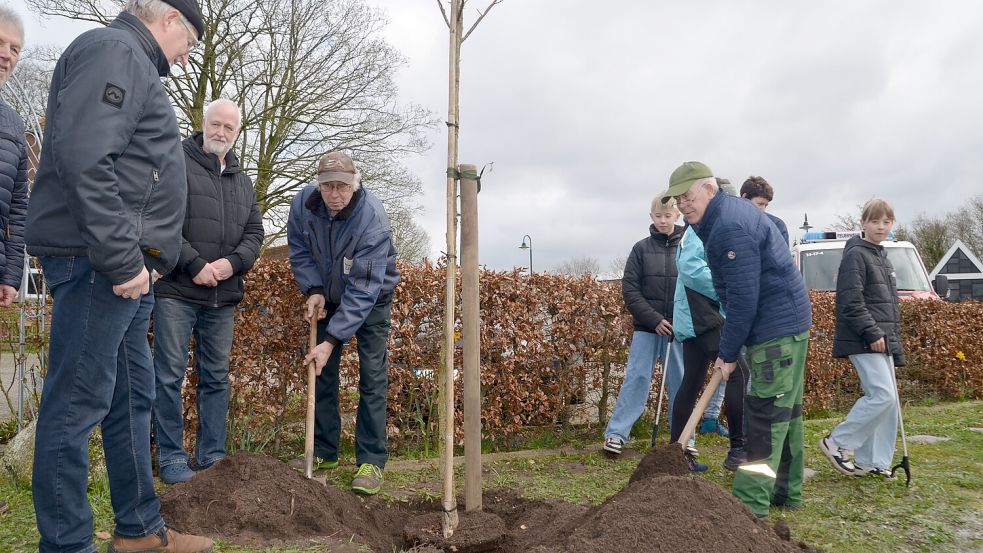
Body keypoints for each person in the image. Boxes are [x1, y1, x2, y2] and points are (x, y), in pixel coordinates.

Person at [24, 0, 214, 551]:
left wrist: (145, 259)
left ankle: (138, 530)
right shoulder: (116, 52)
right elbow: (86, 157)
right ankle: (67, 543)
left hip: (126, 268)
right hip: (101, 264)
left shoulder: (129, 58)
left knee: (132, 397)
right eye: (190, 43)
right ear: (172, 20)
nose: (185, 56)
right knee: (77, 403)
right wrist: (122, 257)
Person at [664, 161, 812, 519]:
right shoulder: (717, 220)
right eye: (677, 199)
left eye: (687, 196)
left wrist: (728, 353)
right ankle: (785, 490)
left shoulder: (728, 226)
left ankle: (749, 504)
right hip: (787, 324)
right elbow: (731, 290)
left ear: (709, 189)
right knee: (785, 414)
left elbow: (743, 297)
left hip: (775, 330)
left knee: (763, 415)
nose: (682, 205)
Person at [152, 98, 264, 484]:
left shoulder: (242, 180)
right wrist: (194, 264)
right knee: (168, 376)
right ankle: (171, 458)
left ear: (237, 132)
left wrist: (232, 264)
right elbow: (159, 221)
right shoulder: (174, 162)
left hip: (222, 299)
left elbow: (255, 233)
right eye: (216, 125)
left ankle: (212, 457)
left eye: (229, 128)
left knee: (216, 378)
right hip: (177, 292)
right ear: (203, 124)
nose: (221, 133)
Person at [287, 151, 399, 495]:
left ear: (356, 183)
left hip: (372, 298)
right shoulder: (304, 204)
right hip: (329, 296)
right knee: (320, 372)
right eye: (327, 187)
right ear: (317, 185)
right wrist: (315, 289)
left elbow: (364, 289)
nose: (335, 195)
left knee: (372, 377)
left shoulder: (372, 220)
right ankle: (323, 451)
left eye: (342, 187)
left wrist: (332, 339)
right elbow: (299, 249)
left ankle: (371, 461)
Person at [819, 199, 904, 478]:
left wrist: (888, 336)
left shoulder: (881, 255)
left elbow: (885, 304)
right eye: (875, 221)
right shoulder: (857, 254)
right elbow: (850, 301)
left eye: (886, 222)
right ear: (863, 223)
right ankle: (836, 443)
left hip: (883, 338)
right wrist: (872, 332)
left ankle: (873, 462)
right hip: (865, 338)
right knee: (883, 396)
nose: (881, 227)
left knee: (887, 401)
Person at [669, 181, 748, 473]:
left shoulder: (712, 228)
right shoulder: (696, 232)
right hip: (701, 317)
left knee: (691, 382)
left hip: (700, 318)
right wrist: (724, 285)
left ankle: (677, 455)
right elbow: (690, 270)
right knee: (738, 372)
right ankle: (739, 448)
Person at [602, 193, 684, 455]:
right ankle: (616, 434)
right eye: (658, 216)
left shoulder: (689, 246)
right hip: (647, 329)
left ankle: (684, 437)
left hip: (680, 331)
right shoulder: (640, 249)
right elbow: (630, 290)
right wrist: (654, 319)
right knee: (636, 378)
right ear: (651, 217)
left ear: (677, 216)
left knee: (681, 383)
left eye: (667, 216)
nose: (663, 221)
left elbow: (697, 286)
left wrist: (679, 320)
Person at [0, 6, 27, 311]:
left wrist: (10, 273)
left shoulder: (13, 124)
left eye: (15, 48)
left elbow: (18, 208)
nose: (6, 54)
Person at [740, 175, 789, 245]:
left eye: (765, 205)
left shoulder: (777, 225)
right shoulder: (730, 222)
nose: (763, 209)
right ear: (744, 198)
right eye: (759, 204)